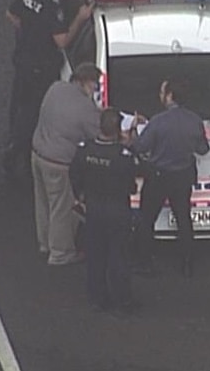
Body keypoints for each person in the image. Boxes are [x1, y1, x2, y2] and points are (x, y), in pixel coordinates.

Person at [5, 0, 94, 182]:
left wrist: (30, 32)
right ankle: (19, 155)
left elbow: (12, 15)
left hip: (23, 61)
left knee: (18, 105)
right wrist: (80, 19)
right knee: (34, 114)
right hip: (41, 68)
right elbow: (62, 40)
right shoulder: (54, 5)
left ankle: (13, 143)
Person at [129, 76, 210, 278]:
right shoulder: (194, 120)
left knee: (146, 219)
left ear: (170, 96)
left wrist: (132, 132)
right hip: (183, 176)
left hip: (159, 176)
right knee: (183, 218)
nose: (160, 96)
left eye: (163, 92)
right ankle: (187, 262)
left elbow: (140, 147)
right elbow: (203, 149)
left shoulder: (158, 122)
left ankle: (144, 262)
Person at [31, 62, 101, 265]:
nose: (94, 90)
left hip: (38, 153)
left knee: (43, 201)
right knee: (61, 207)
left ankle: (45, 242)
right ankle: (60, 252)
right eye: (94, 85)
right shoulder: (85, 107)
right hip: (59, 162)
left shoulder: (56, 88)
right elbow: (97, 133)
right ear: (86, 82)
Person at [70, 108, 137, 314]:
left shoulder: (85, 150)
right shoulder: (123, 156)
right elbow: (131, 186)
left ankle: (97, 298)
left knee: (96, 255)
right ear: (118, 130)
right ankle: (121, 301)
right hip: (117, 211)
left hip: (94, 209)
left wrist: (80, 197)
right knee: (118, 257)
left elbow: (74, 175)